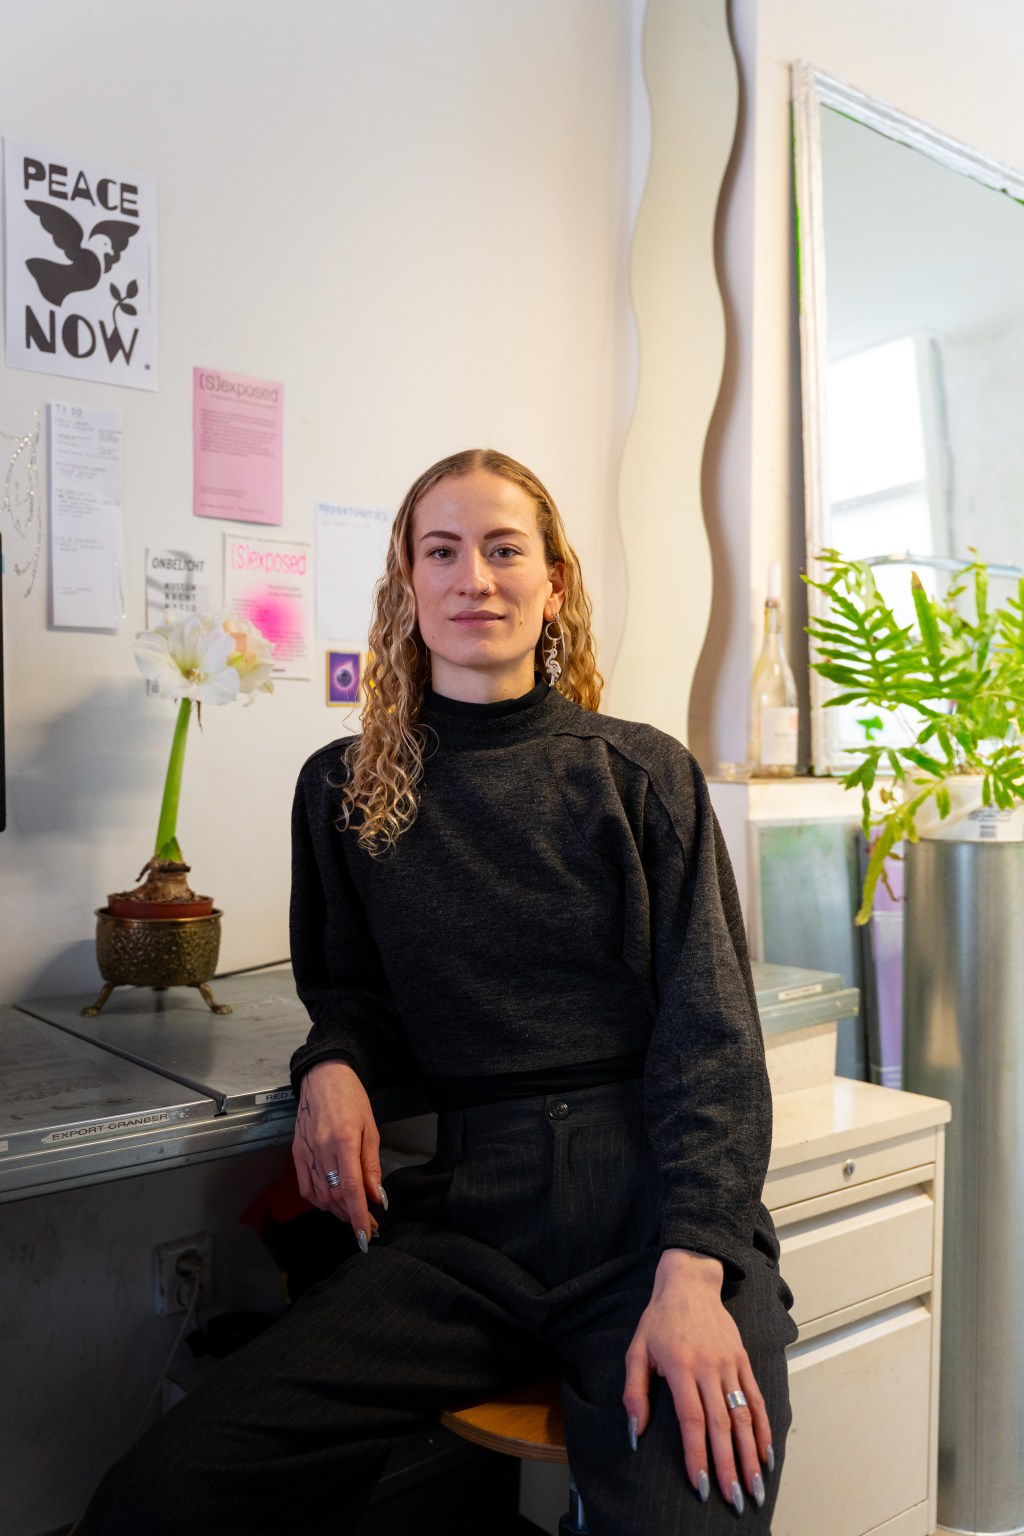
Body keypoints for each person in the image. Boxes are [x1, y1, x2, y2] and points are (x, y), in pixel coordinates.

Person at [79, 448, 796, 1535]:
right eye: (444, 552)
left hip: (649, 1214)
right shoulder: (343, 788)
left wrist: (697, 1269)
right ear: (408, 584)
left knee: (696, 1507)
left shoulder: (638, 774)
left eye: (505, 550)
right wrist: (332, 1063)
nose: (476, 579)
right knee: (155, 1500)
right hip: (467, 1229)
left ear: (553, 582)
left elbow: (712, 1039)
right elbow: (355, 994)